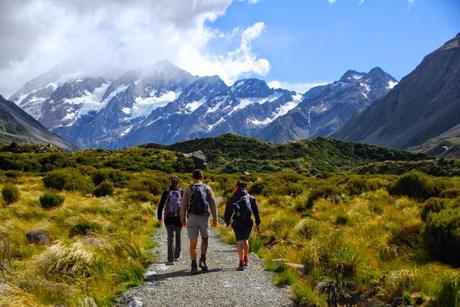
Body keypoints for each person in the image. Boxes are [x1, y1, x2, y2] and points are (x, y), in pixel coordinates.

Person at [180, 169, 218, 275]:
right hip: (204, 218)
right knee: (204, 239)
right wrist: (215, 218)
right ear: (202, 177)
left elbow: (183, 205)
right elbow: (213, 204)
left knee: (193, 242)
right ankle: (202, 260)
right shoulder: (206, 188)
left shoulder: (188, 188)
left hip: (192, 217)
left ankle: (193, 265)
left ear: (192, 177)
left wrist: (182, 219)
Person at [224, 181, 260, 271]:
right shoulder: (251, 198)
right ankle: (246, 259)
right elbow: (256, 212)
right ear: (245, 187)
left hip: (237, 222)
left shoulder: (233, 198)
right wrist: (258, 223)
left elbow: (228, 211)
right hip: (248, 222)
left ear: (237, 187)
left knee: (239, 240)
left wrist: (227, 222)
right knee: (245, 239)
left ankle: (241, 262)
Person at [157, 175, 183, 265]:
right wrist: (185, 218)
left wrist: (159, 217)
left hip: (168, 218)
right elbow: (185, 205)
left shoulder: (166, 191)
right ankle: (177, 256)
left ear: (170, 182)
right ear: (178, 182)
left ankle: (170, 259)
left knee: (170, 238)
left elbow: (160, 205)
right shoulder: (181, 191)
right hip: (179, 218)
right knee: (178, 236)